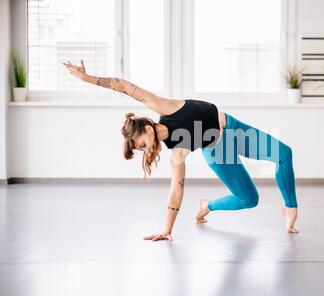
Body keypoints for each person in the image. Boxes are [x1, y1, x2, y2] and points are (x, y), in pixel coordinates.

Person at [63, 60, 299, 241]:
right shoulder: (176, 152)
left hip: (234, 129)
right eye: (142, 150)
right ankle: (207, 206)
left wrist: (87, 79)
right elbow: (176, 190)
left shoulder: (164, 107)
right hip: (217, 150)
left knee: (284, 154)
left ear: (147, 128)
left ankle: (290, 208)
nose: (146, 150)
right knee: (249, 199)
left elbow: (123, 86)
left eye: (143, 144)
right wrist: (167, 230)